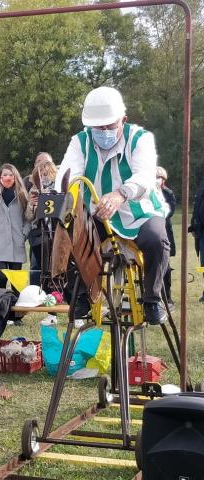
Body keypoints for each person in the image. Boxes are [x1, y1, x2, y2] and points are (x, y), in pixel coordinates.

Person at [55, 86, 169, 325]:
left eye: (109, 126)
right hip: (97, 213)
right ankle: (83, 294)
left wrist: (120, 194)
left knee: (157, 240)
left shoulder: (140, 139)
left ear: (123, 120)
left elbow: (145, 175)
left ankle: (151, 299)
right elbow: (68, 172)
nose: (104, 132)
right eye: (98, 127)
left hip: (140, 211)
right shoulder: (80, 142)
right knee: (69, 232)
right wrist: (66, 195)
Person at [25, 157, 59, 325]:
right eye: (41, 174)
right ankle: (52, 314)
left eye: (47, 173)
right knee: (45, 275)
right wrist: (31, 205)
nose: (45, 177)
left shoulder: (60, 189)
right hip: (40, 238)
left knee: (62, 275)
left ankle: (76, 312)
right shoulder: (33, 190)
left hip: (59, 238)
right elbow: (28, 217)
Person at [156, 166, 176, 308]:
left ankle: (167, 297)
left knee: (166, 268)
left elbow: (170, 211)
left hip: (164, 232)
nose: (157, 180)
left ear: (163, 179)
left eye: (160, 177)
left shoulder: (168, 193)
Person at [190, 175, 204, 302]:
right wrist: (193, 226)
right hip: (202, 231)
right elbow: (196, 207)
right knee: (203, 265)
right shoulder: (202, 184)